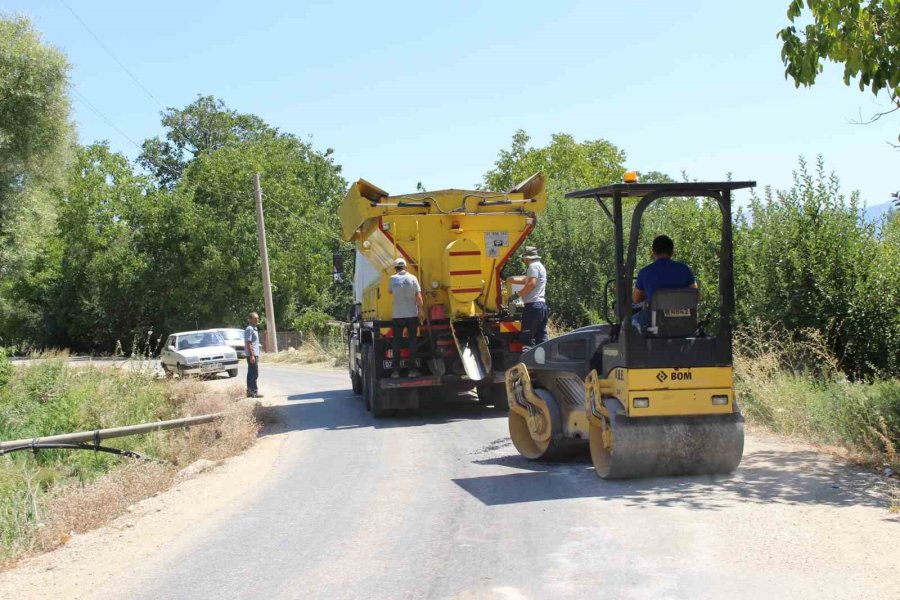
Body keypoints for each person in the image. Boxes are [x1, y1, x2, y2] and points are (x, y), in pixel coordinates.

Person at [632, 235, 697, 330]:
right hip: (683, 321)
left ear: (653, 252)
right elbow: (695, 295)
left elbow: (636, 299)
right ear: (672, 252)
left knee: (630, 321)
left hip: (656, 323)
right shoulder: (685, 269)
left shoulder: (645, 272)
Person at [387, 257, 424, 378]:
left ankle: (395, 372)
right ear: (405, 267)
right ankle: (412, 371)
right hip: (412, 315)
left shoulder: (392, 279)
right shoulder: (413, 278)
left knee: (396, 343)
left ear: (395, 268)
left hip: (397, 316)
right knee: (412, 342)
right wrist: (421, 311)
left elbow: (390, 292)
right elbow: (418, 296)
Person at [507, 246, 548, 350]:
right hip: (541, 306)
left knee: (528, 337)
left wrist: (517, 295)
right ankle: (543, 361)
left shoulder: (532, 266)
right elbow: (526, 279)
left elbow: (531, 283)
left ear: (528, 257)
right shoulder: (540, 266)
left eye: (524, 258)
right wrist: (510, 279)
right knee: (541, 336)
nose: (523, 260)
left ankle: (528, 362)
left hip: (532, 306)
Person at [244, 312, 263, 398]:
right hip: (252, 354)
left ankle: (250, 391)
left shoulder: (254, 328)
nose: (257, 320)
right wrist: (252, 355)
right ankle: (253, 392)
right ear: (250, 319)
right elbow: (248, 342)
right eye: (255, 318)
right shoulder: (249, 329)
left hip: (255, 354)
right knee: (254, 373)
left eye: (257, 318)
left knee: (252, 373)